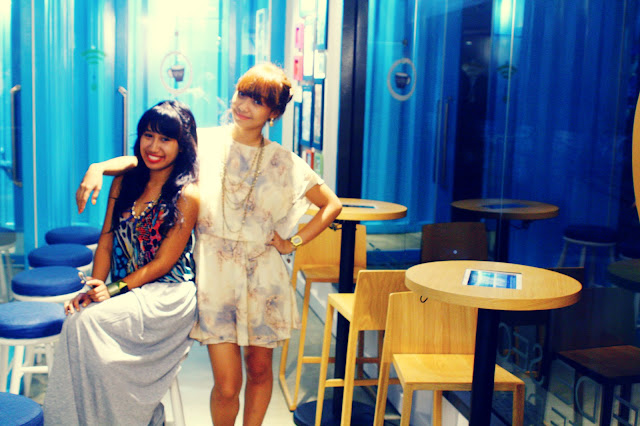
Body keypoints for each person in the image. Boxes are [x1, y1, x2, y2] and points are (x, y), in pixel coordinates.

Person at [75, 63, 342, 426]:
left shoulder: (283, 161)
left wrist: (291, 242)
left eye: (258, 101)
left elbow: (331, 204)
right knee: (228, 385)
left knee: (259, 370)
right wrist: (100, 167)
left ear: (274, 113)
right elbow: (147, 157)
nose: (244, 105)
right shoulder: (203, 142)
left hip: (264, 277)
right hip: (214, 274)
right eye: (242, 94)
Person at [44, 100, 200, 426]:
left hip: (167, 295)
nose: (153, 147)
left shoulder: (187, 194)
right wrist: (94, 286)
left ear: (182, 144)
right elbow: (106, 240)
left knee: (87, 324)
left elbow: (162, 264)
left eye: (165, 139)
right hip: (127, 289)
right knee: (76, 320)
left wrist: (113, 289)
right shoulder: (125, 182)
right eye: (148, 135)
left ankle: (130, 417)